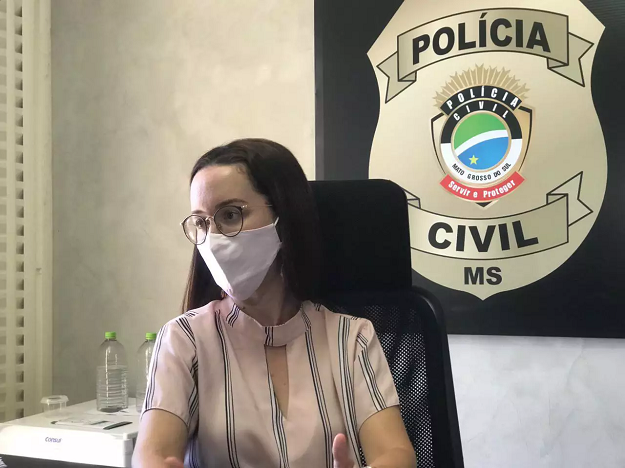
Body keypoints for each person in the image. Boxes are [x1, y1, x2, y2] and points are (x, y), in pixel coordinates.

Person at [132, 139, 416, 468]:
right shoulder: (184, 339)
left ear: (284, 217)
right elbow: (152, 453)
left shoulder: (352, 338)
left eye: (230, 215)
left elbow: (397, 454)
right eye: (201, 222)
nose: (214, 239)